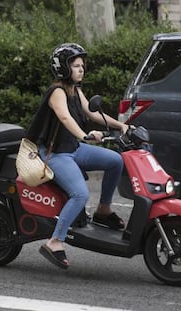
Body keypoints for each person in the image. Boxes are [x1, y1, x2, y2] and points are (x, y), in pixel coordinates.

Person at [27, 43, 129, 269]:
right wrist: (84, 136)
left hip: (73, 149)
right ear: (63, 68)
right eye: (75, 65)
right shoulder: (57, 92)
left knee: (115, 161)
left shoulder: (75, 90)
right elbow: (65, 118)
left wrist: (121, 126)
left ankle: (104, 209)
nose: (81, 69)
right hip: (55, 155)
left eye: (82, 65)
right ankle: (55, 241)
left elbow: (91, 113)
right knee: (80, 194)